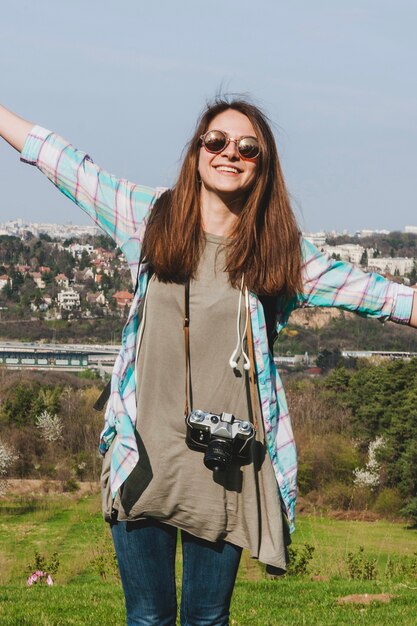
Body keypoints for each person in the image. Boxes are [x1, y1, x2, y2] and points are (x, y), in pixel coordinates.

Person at [1, 99, 416, 626]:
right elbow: (61, 161)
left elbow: (382, 296)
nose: (230, 154)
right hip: (143, 452)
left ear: (262, 165)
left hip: (226, 464)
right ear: (197, 149)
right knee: (148, 617)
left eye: (248, 148)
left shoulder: (280, 252)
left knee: (206, 619)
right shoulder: (150, 218)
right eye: (216, 141)